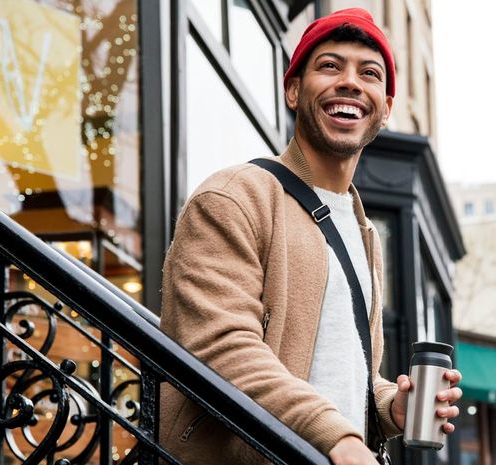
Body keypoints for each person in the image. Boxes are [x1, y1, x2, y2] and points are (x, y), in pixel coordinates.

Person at [158, 8, 462, 465]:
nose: (350, 82)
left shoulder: (364, 233)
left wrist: (389, 406)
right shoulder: (234, 196)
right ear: (294, 90)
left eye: (370, 73)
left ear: (385, 107)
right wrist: (339, 438)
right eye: (329, 66)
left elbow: (335, 370)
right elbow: (222, 348)